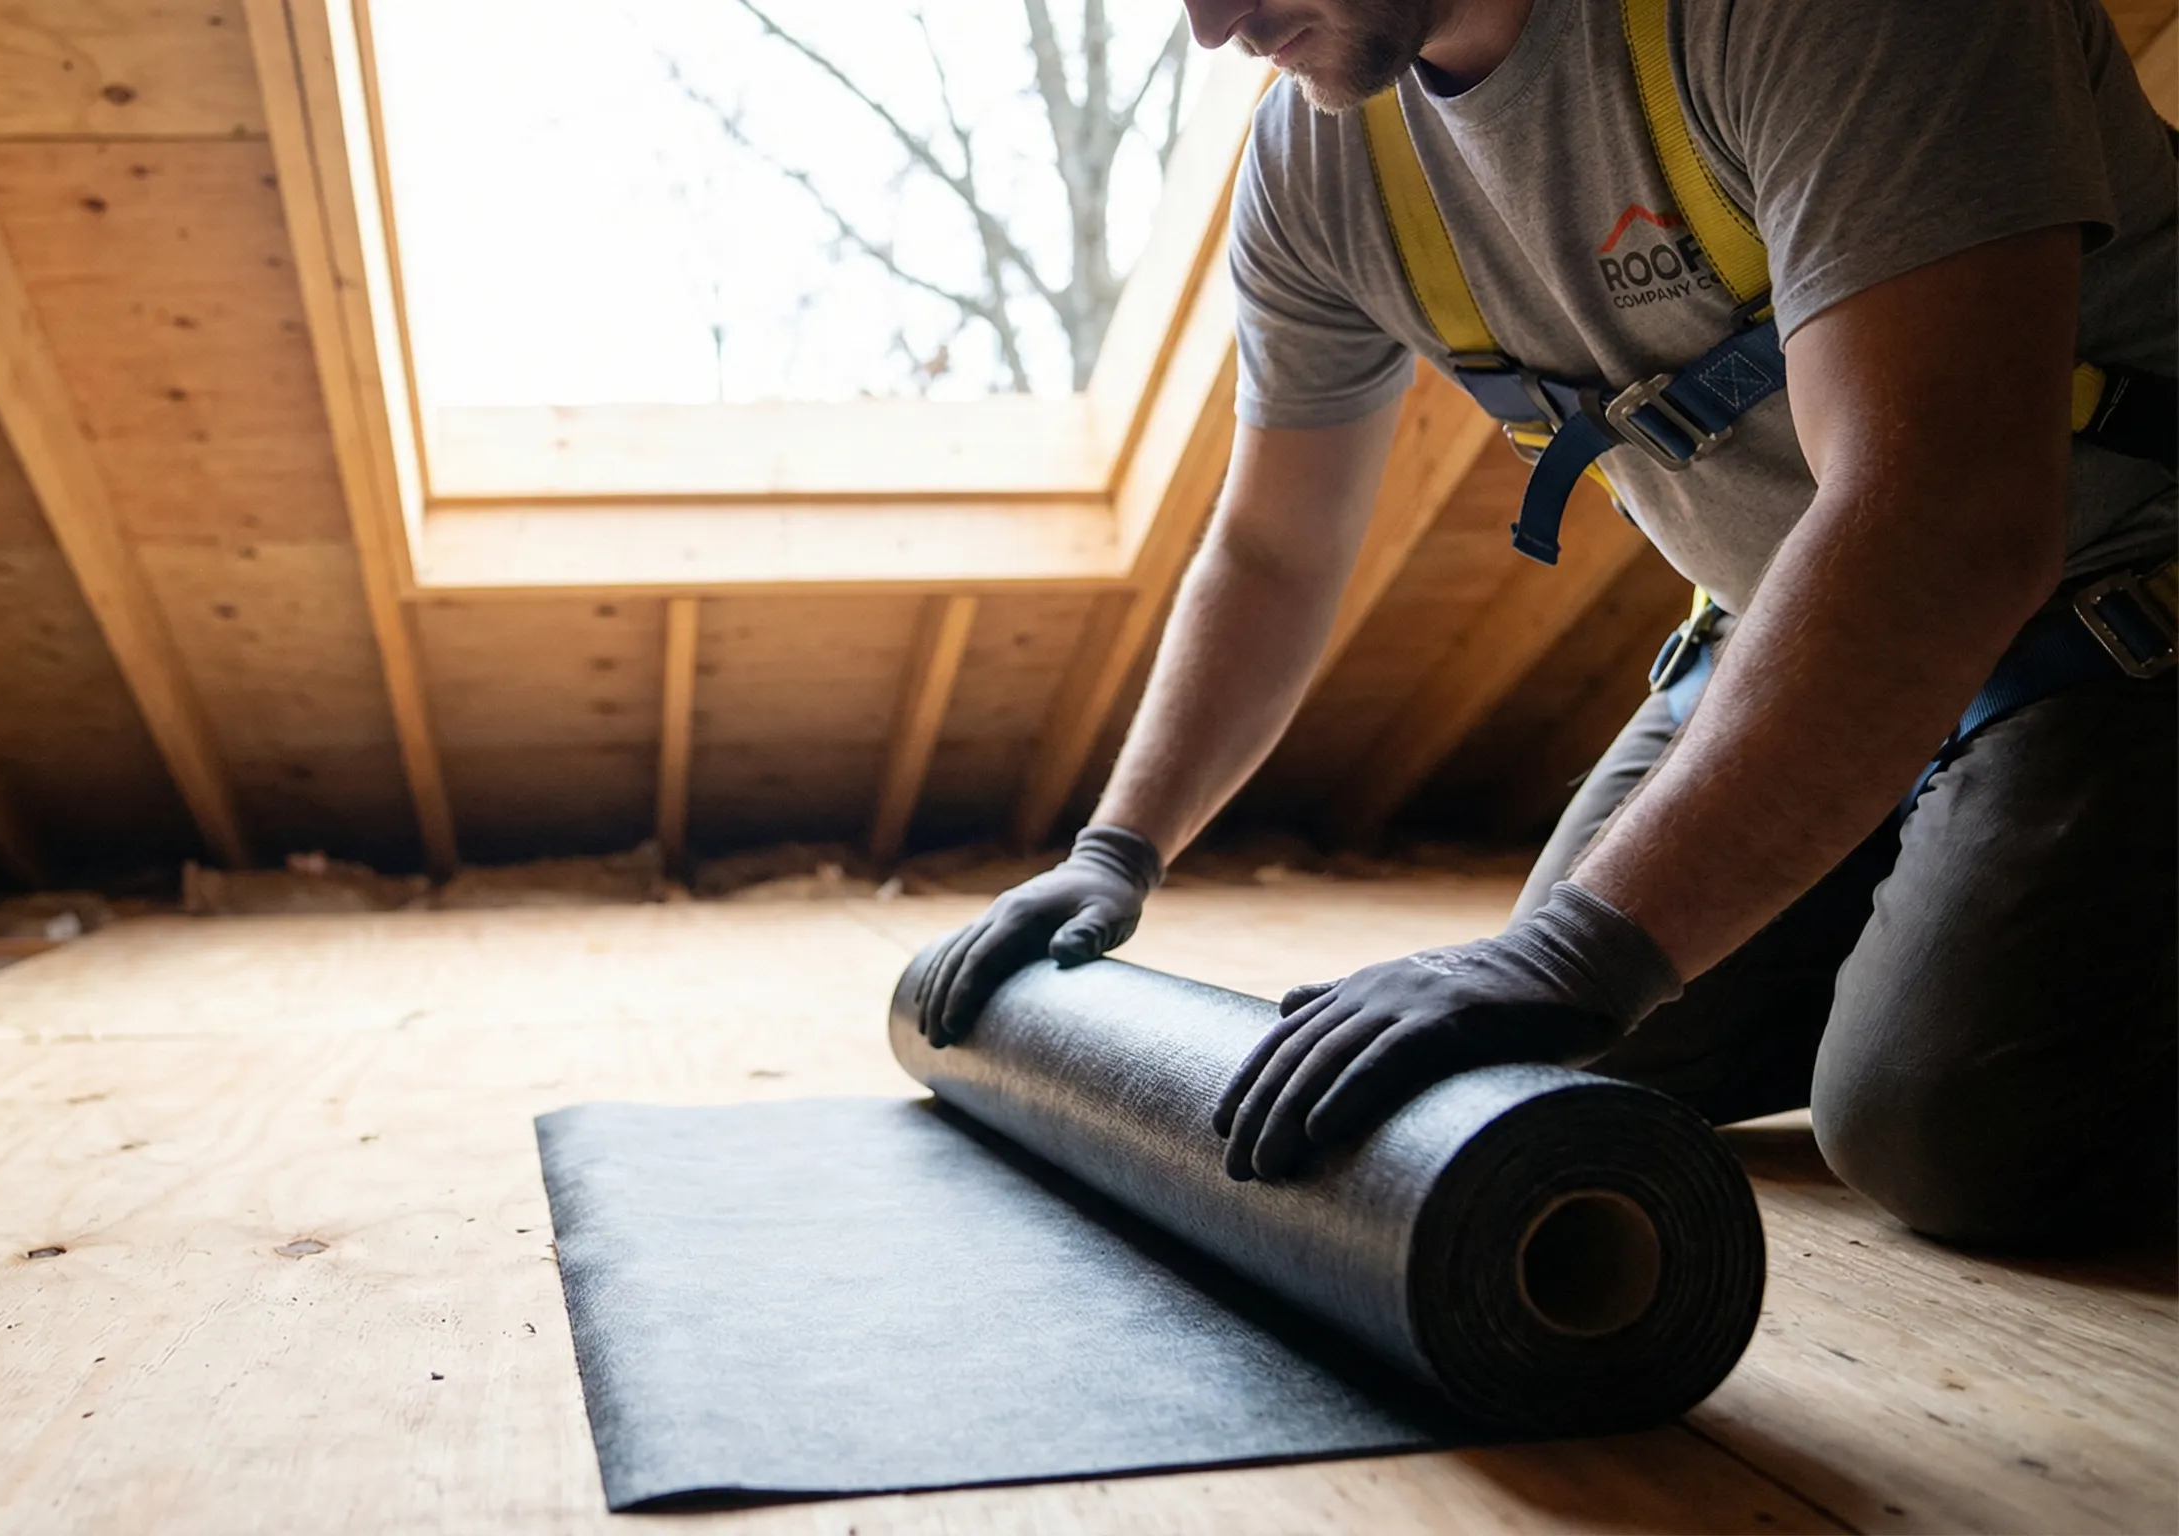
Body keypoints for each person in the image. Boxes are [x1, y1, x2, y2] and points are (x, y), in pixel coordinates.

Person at [911, 0, 2176, 1246]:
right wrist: (1114, 849)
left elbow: (1946, 515)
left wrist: (1578, 948)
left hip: (2125, 608)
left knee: (1946, 1124)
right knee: (1555, 1069)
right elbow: (1271, 549)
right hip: (1791, 625)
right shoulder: (1320, 156)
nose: (1210, 23)